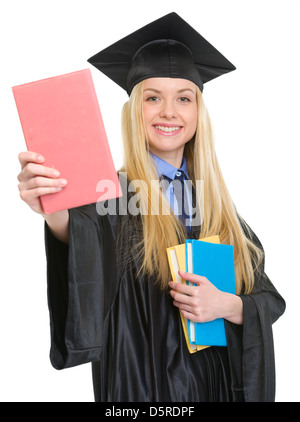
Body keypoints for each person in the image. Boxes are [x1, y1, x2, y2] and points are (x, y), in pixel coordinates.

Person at [17, 13, 285, 402]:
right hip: (141, 387)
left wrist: (228, 305)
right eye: (153, 97)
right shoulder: (112, 193)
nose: (169, 112)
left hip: (217, 387)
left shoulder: (216, 205)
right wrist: (51, 203)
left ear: (198, 113)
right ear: (133, 110)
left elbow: (268, 300)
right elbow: (82, 233)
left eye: (183, 98)